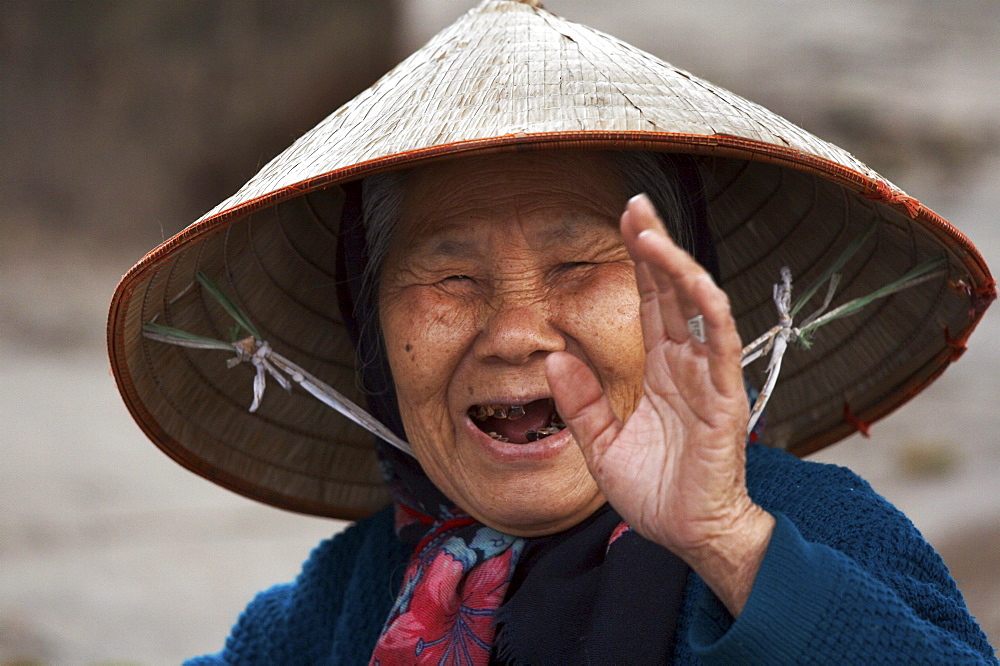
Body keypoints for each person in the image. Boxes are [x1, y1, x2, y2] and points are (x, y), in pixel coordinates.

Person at [108, 1, 997, 663]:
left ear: (680, 307)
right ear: (373, 334)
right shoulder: (342, 600)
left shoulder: (807, 528)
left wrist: (725, 540)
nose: (516, 334)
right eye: (451, 278)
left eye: (577, 267)